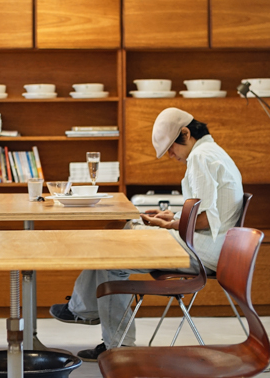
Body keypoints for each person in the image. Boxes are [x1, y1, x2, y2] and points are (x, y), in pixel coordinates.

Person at [49, 107, 244, 361]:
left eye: (170, 149)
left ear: (185, 133)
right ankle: (87, 313)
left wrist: (170, 225)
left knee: (115, 248)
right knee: (117, 240)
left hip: (203, 251)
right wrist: (172, 218)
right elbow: (206, 214)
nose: (170, 155)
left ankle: (104, 332)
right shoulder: (214, 152)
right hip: (216, 248)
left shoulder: (200, 157)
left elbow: (205, 220)